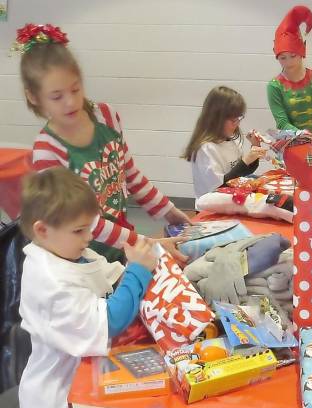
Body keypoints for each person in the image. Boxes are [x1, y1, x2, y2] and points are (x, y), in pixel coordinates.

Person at [14, 23, 190, 263]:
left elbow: (131, 175)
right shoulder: (47, 149)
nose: (70, 102)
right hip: (82, 255)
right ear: (34, 97)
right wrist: (142, 242)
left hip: (121, 242)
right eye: (57, 96)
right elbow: (76, 218)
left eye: (76, 89)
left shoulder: (106, 117)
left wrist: (171, 212)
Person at [18, 167, 158, 408]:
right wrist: (138, 271)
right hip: (56, 402)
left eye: (89, 228)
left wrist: (140, 265)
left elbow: (114, 277)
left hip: (86, 376)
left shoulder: (72, 253)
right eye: (80, 230)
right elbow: (110, 321)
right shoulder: (50, 281)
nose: (90, 237)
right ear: (43, 230)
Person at [183, 86, 266, 199]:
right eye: (233, 120)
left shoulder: (230, 140)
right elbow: (220, 187)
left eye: (239, 118)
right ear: (216, 119)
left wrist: (255, 147)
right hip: (212, 209)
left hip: (230, 201)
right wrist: (246, 160)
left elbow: (244, 172)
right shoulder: (206, 149)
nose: (237, 124)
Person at [267, 5, 312, 137]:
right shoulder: (274, 86)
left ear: (302, 52)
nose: (288, 62)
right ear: (276, 56)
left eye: (293, 56)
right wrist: (301, 134)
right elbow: (282, 122)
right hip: (290, 140)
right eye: (282, 58)